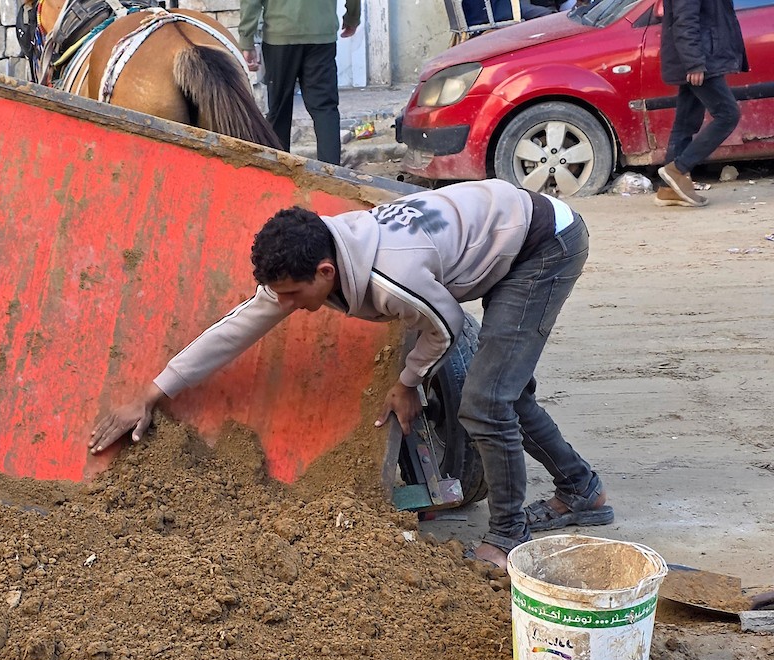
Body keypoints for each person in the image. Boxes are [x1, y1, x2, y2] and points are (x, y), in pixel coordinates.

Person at [88, 179, 613, 568]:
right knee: (503, 393)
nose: (285, 305)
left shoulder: (390, 277)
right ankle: (581, 490)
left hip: (544, 244)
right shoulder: (317, 251)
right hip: (500, 234)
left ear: (325, 272)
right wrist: (152, 392)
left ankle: (506, 535)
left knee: (486, 402)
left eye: (292, 295)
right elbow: (235, 329)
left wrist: (406, 384)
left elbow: (447, 328)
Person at [238, 0, 360, 165]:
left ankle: (278, 170)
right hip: (320, 33)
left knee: (279, 109)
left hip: (280, 34)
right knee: (325, 108)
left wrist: (247, 39)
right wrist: (352, 17)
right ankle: (331, 172)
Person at [654, 0, 748, 208]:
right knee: (728, 115)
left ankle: (669, 190)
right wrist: (694, 63)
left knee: (686, 123)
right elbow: (685, 21)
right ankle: (678, 168)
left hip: (702, 57)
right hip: (701, 60)